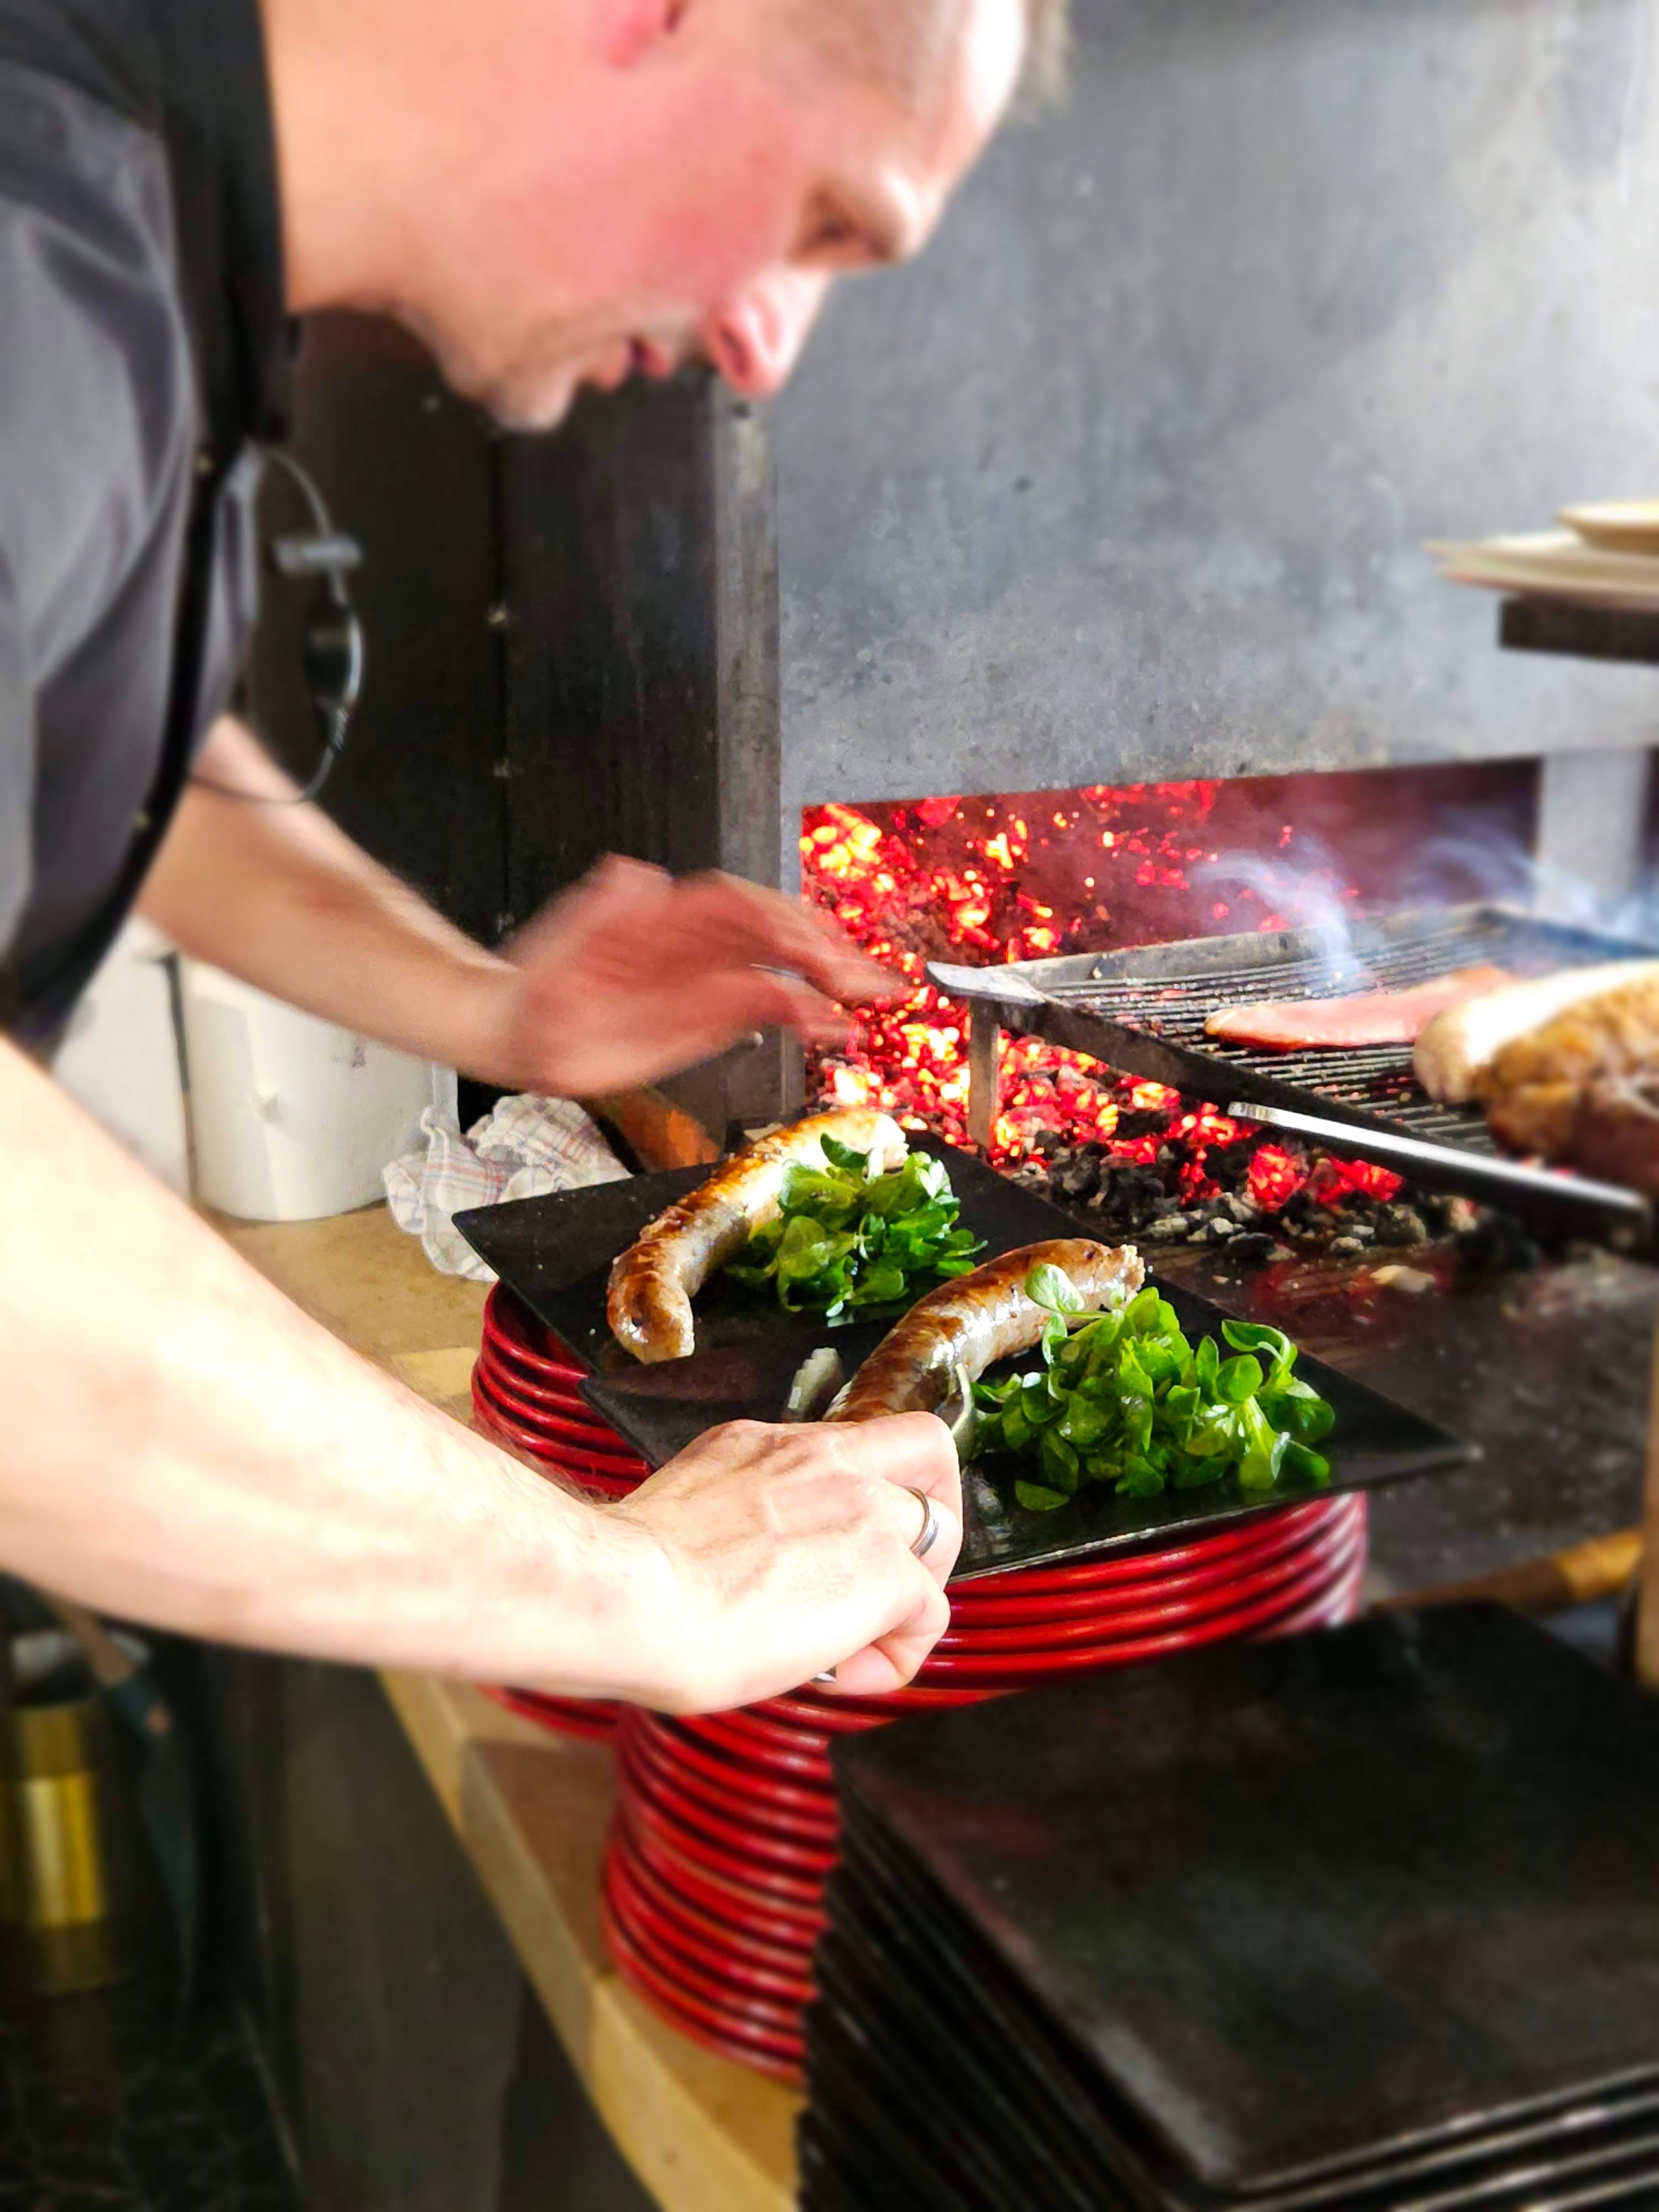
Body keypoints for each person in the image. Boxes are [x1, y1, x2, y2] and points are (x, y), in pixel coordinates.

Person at [0, 0, 1062, 1713]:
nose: (775, 346)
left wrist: (494, 1014)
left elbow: (117, 736)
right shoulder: (33, 235)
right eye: (828, 218)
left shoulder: (129, 208)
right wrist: (635, 1590)